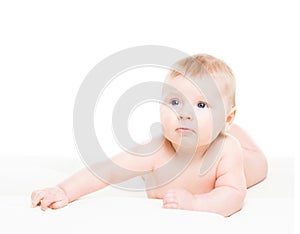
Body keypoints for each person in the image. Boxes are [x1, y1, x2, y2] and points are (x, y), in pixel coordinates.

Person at [31, 54, 268, 217]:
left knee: (257, 162)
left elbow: (233, 195)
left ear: (227, 117)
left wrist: (195, 204)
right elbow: (107, 170)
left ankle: (234, 130)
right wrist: (63, 190)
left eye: (202, 105)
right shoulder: (157, 149)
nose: (185, 114)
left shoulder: (227, 151)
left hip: (246, 161)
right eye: (175, 102)